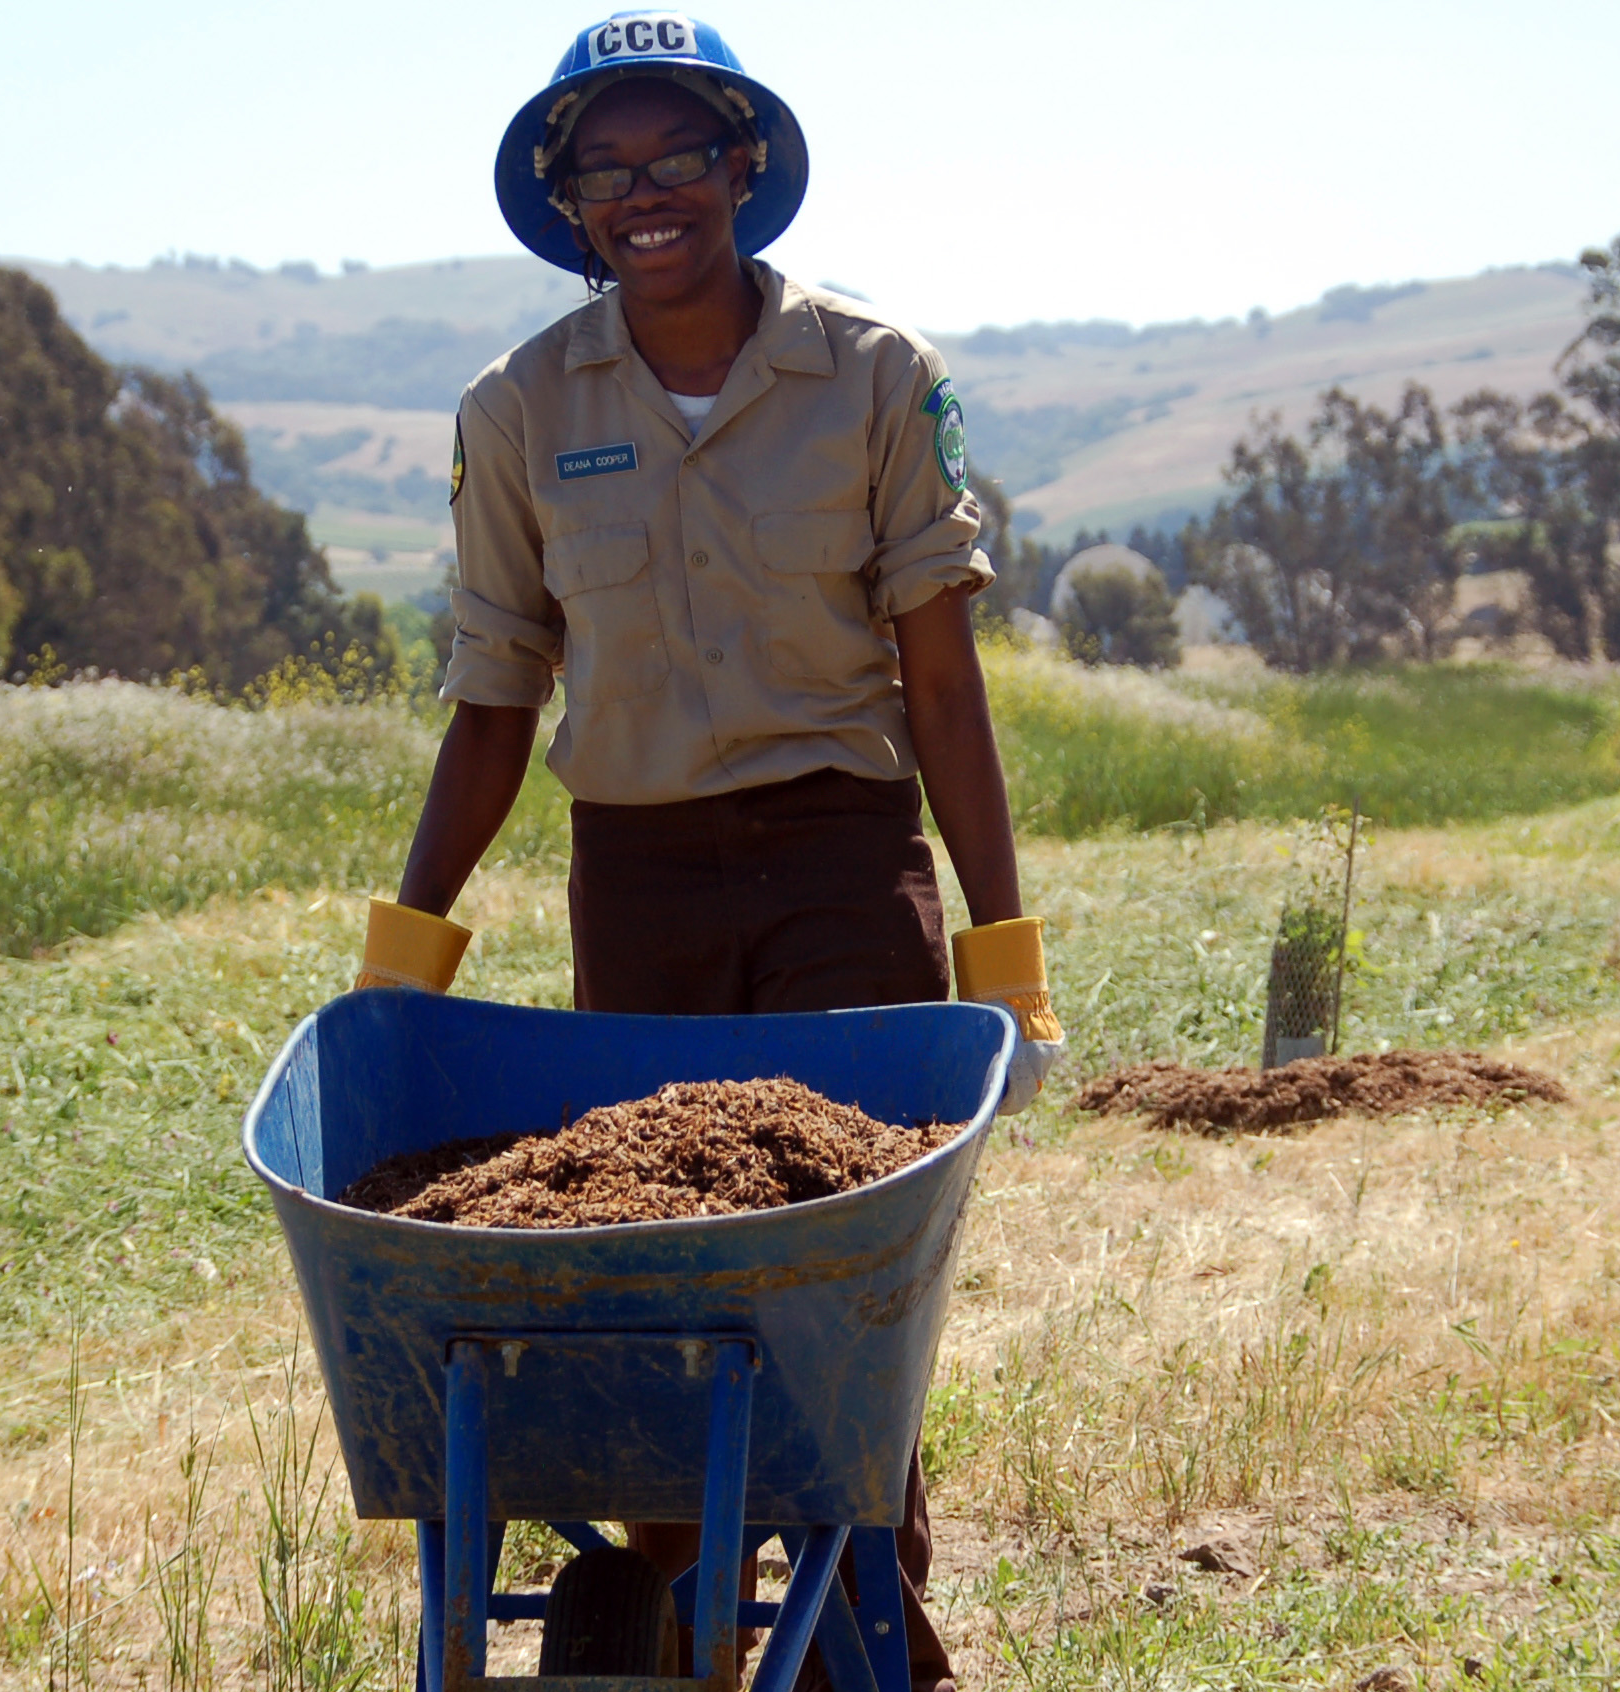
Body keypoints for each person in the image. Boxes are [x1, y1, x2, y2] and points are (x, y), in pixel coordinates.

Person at [354, 13, 1064, 1687]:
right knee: (660, 1263)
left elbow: (946, 692)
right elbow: (491, 702)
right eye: (610, 168)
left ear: (746, 169)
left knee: (845, 1268)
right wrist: (403, 960)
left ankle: (874, 1616)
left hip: (842, 867)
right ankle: (683, 1617)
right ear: (567, 201)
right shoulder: (521, 408)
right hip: (644, 885)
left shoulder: (879, 377)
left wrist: (1003, 958)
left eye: (682, 156)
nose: (649, 192)